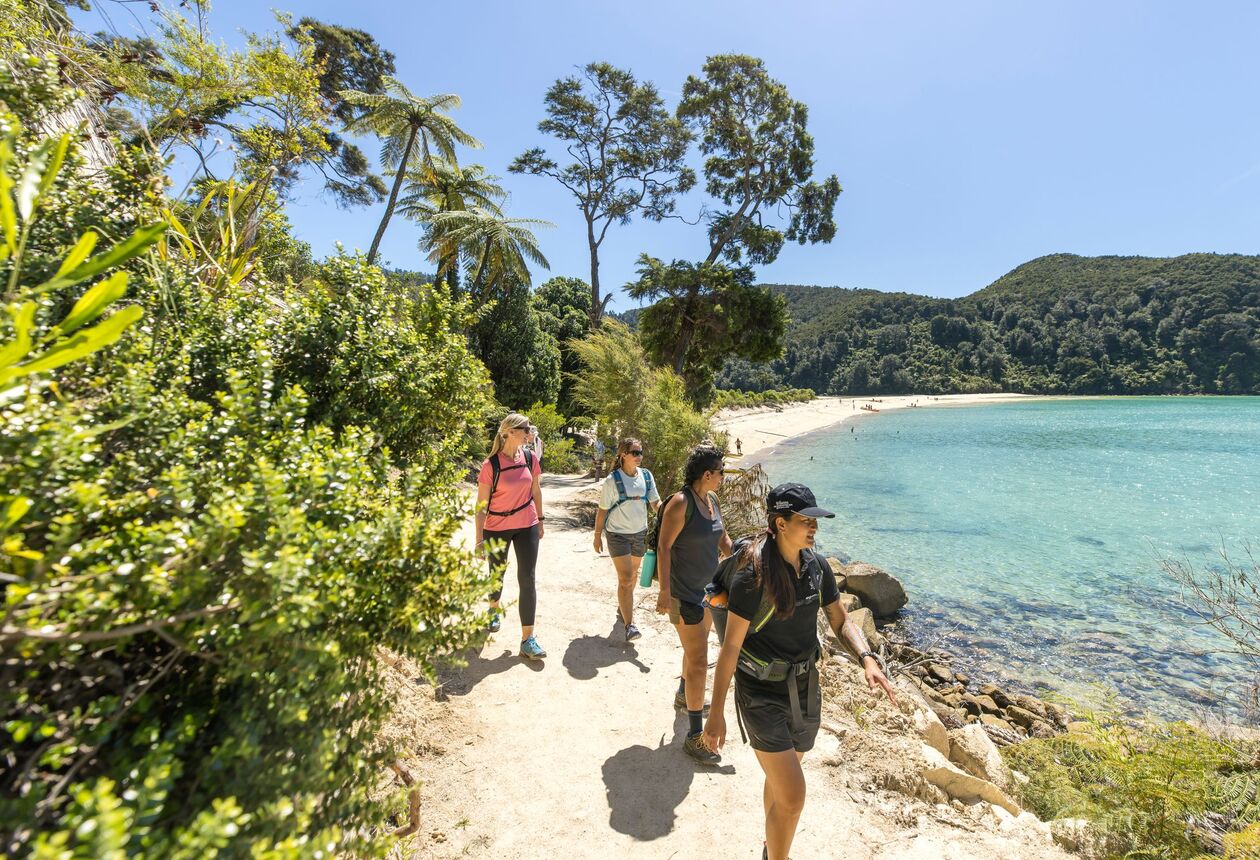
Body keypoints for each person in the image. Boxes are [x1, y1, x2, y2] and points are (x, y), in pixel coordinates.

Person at [703, 483, 898, 860]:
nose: (814, 528)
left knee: (781, 787)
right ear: (779, 523)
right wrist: (715, 714)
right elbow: (730, 648)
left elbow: (840, 620)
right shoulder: (752, 576)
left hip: (806, 689)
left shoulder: (817, 567)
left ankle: (770, 844)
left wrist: (866, 658)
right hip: (760, 693)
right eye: (805, 521)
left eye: (816, 521)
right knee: (793, 797)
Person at [656, 445, 732, 763]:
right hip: (682, 596)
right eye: (721, 473)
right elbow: (663, 547)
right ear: (707, 474)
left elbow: (723, 542)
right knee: (700, 660)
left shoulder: (711, 502)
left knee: (694, 654)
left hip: (708, 594)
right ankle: (694, 736)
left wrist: (752, 557)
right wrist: (664, 592)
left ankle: (683, 692)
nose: (722, 478)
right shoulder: (680, 503)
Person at [475, 412, 547, 660]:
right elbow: (481, 507)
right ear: (511, 432)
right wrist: (479, 540)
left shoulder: (530, 458)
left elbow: (535, 490)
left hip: (526, 523)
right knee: (497, 573)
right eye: (526, 429)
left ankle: (528, 639)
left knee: (527, 578)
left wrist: (540, 519)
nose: (530, 433)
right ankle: (493, 610)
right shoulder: (490, 465)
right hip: (496, 527)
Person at [593, 438, 661, 642]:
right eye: (635, 452)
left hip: (640, 533)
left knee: (631, 578)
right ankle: (630, 625)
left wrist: (671, 513)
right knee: (625, 578)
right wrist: (597, 536)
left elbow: (655, 503)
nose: (639, 456)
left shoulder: (646, 476)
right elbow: (602, 511)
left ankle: (623, 605)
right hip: (617, 535)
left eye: (641, 452)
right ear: (623, 454)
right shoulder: (612, 480)